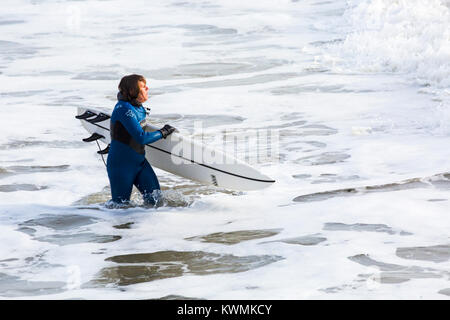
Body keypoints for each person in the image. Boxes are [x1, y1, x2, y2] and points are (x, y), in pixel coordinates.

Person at [107, 74, 175, 206]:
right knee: (120, 207)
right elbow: (141, 138)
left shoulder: (138, 107)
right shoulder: (124, 109)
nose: (147, 88)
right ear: (133, 91)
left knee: (156, 201)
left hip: (139, 162)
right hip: (121, 166)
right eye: (143, 87)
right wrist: (163, 132)